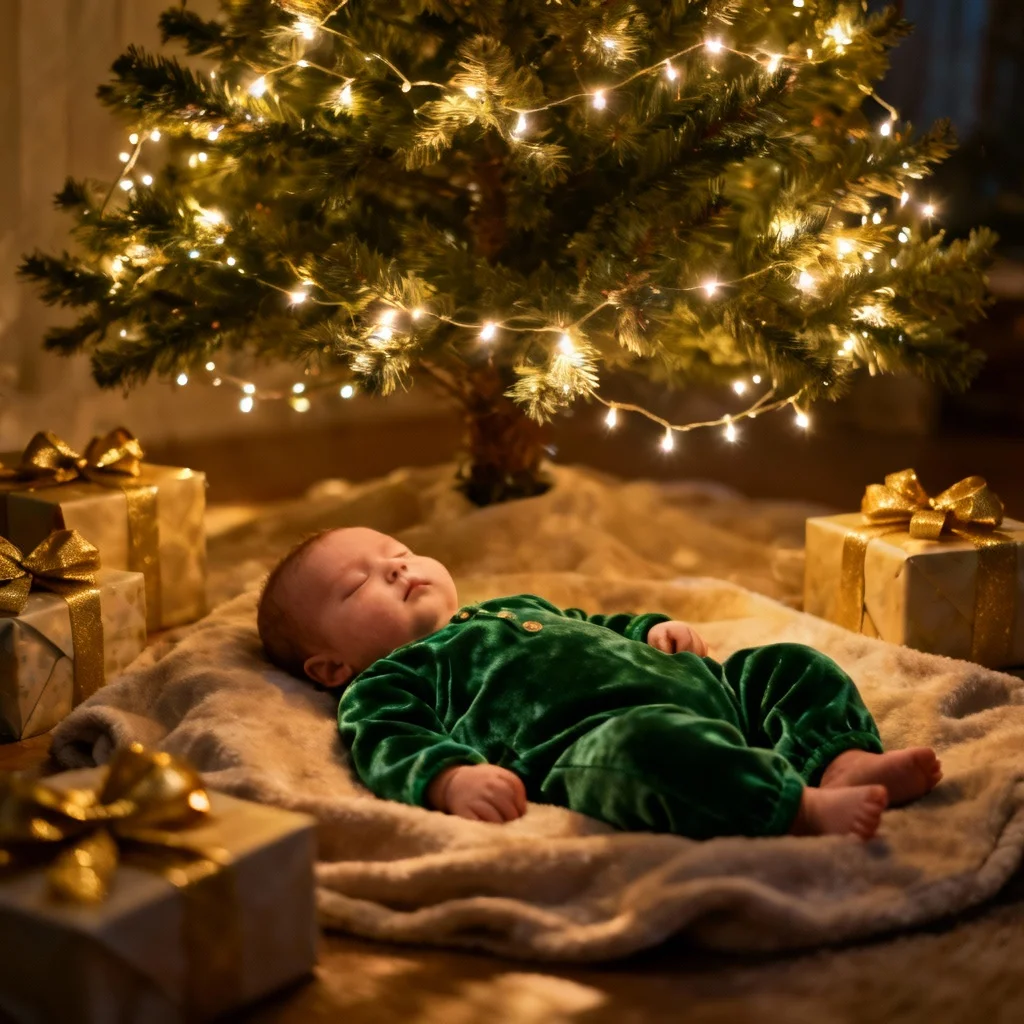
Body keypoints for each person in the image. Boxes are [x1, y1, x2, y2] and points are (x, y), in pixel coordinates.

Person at [257, 527, 942, 840]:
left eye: (399, 555)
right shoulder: (391, 679)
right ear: (331, 668)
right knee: (648, 752)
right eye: (361, 583)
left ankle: (841, 758)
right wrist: (449, 779)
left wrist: (651, 630)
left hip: (706, 686)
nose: (399, 570)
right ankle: (792, 807)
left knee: (789, 666)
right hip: (599, 738)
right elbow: (387, 742)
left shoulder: (513, 607)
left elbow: (591, 622)